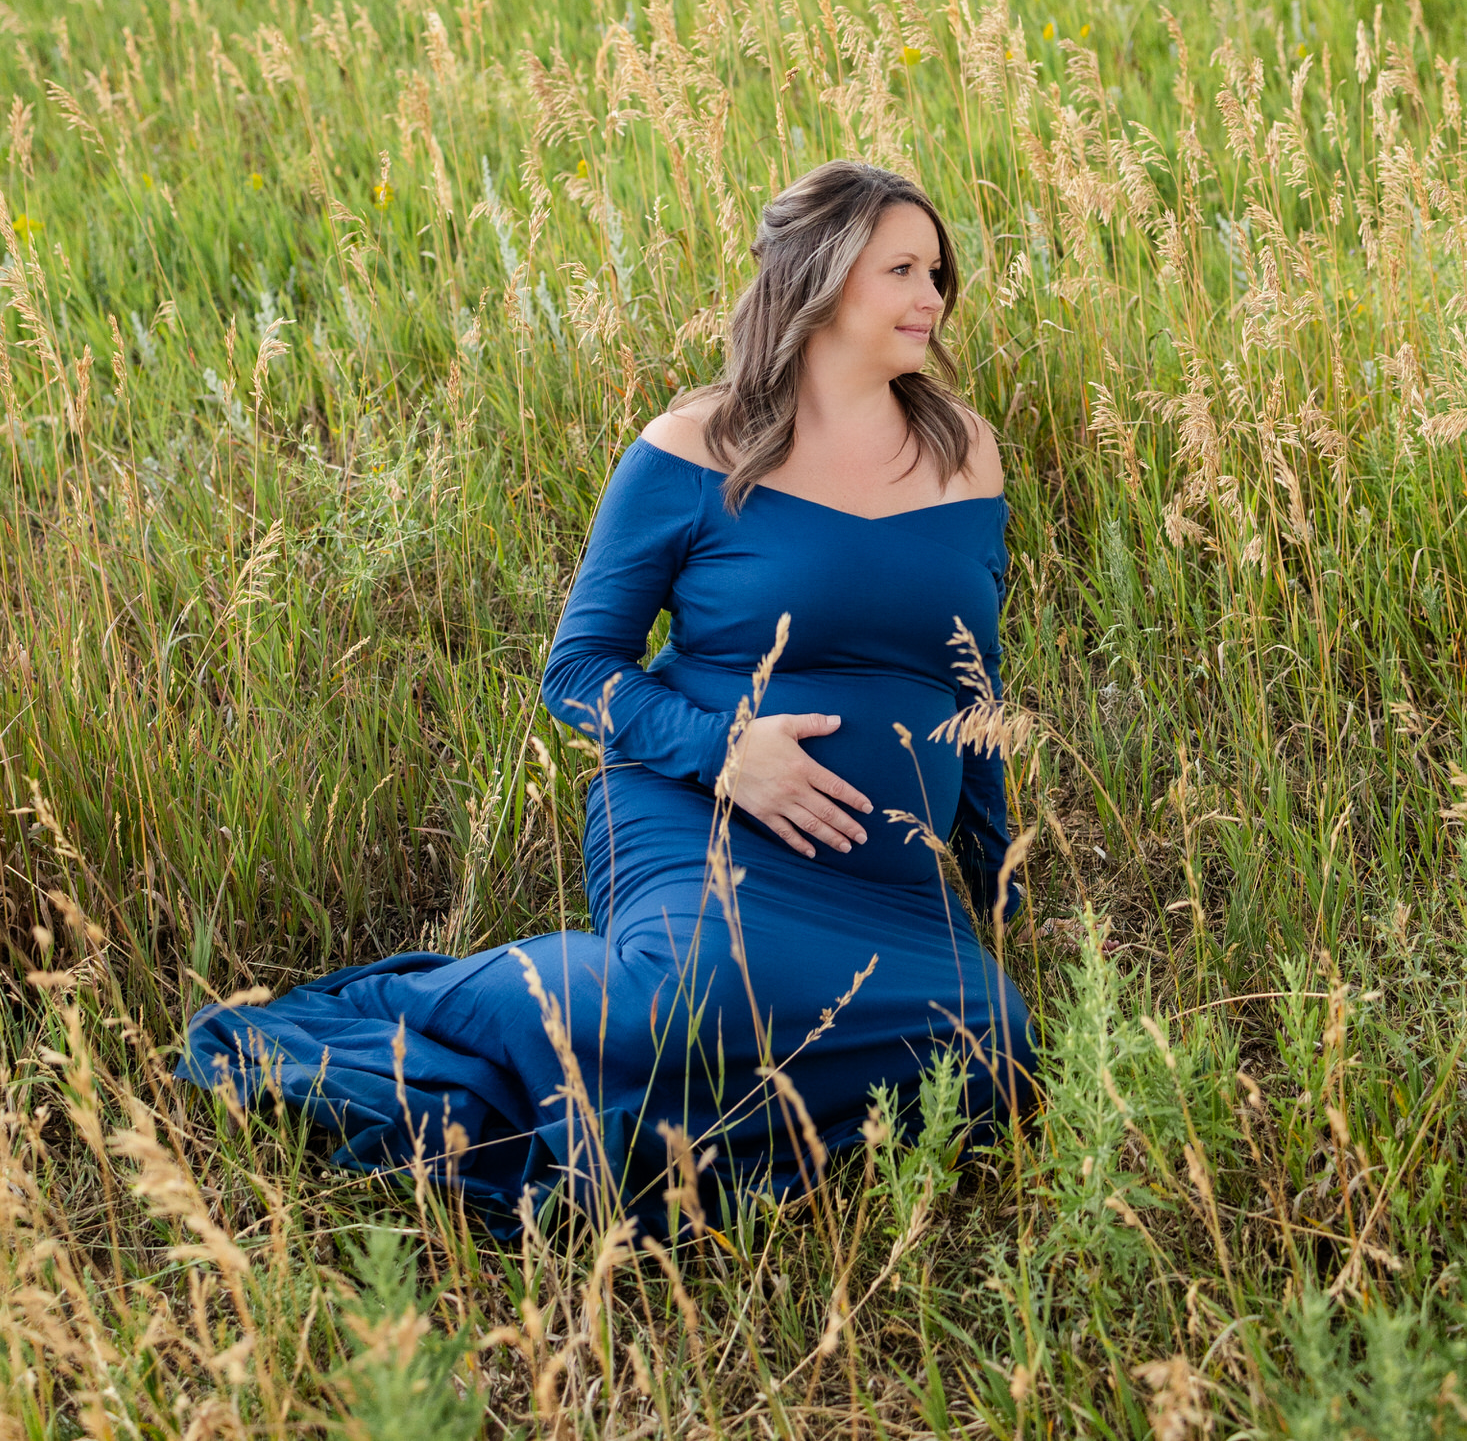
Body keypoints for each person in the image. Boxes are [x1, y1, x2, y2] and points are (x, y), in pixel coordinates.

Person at [181, 160, 1036, 1228]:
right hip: (706, 812)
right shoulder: (693, 447)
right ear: (819, 280)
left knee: (993, 1052)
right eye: (902, 270)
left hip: (884, 866)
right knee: (678, 1013)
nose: (932, 298)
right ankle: (411, 1002)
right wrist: (729, 750)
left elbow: (971, 681)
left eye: (936, 271)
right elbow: (577, 673)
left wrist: (992, 878)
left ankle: (703, 1134)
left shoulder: (962, 450)